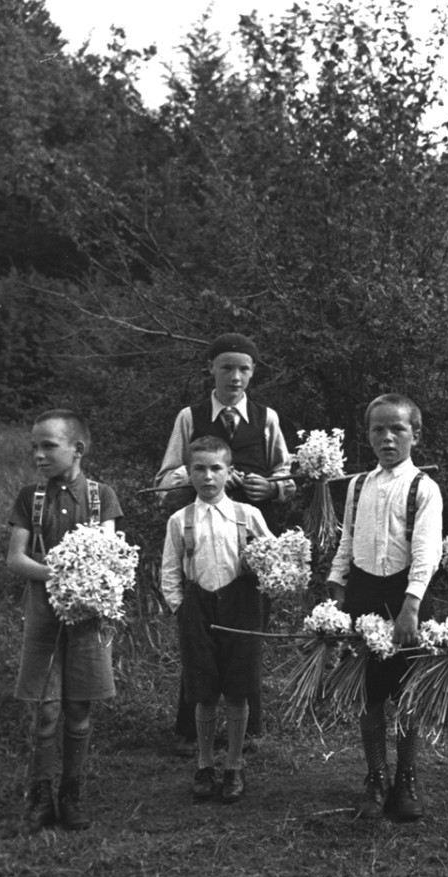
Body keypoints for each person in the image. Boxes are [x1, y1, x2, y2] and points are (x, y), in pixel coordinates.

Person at [155, 333, 294, 753]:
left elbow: (286, 473)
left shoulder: (265, 417)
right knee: (200, 641)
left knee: (245, 642)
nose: (235, 377)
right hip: (200, 540)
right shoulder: (190, 416)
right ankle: (189, 732)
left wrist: (269, 489)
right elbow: (164, 480)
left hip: (249, 548)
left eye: (244, 369)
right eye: (227, 367)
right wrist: (199, 476)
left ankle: (245, 732)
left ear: (253, 372)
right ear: (211, 369)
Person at [5, 409, 124, 834]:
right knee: (46, 711)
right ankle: (39, 797)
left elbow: (109, 555)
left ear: (78, 449)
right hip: (43, 616)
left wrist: (89, 584)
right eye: (34, 446)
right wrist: (61, 575)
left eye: (48, 446)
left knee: (78, 710)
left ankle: (71, 795)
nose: (38, 454)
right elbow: (16, 558)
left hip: (88, 618)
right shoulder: (29, 498)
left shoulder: (100, 496)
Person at [328, 394, 444, 822]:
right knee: (369, 692)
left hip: (406, 595)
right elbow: (347, 538)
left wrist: (411, 605)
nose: (388, 437)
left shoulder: (424, 488)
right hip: (363, 593)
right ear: (368, 435)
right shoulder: (359, 484)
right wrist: (337, 585)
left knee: (408, 693)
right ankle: (376, 776)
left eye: (397, 429)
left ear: (415, 434)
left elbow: (428, 551)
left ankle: (407, 777)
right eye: (379, 429)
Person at [159, 435, 273, 805]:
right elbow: (171, 572)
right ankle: (205, 764)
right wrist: (181, 609)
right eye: (199, 469)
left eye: (216, 469)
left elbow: (273, 559)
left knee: (238, 689)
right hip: (199, 610)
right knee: (203, 691)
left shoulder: (248, 515)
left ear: (229, 472)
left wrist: (268, 582)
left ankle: (235, 765)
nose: (208, 477)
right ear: (188, 472)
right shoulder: (180, 520)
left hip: (240, 607)